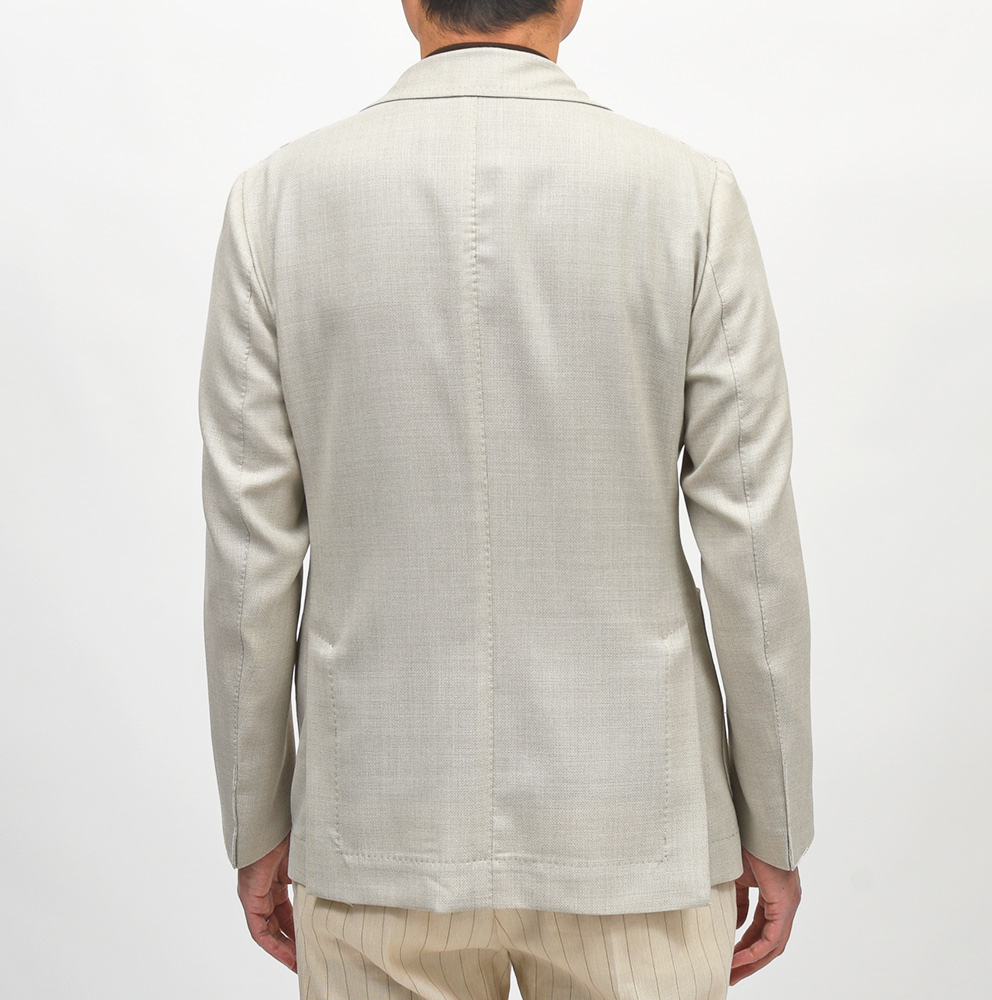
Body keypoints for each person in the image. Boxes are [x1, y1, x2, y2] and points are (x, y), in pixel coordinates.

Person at [198, 1, 814, 996]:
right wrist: (776, 822)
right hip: (638, 832)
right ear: (571, 1)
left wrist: (256, 821)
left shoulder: (277, 203)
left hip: (376, 830)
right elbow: (750, 540)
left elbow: (247, 561)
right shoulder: (685, 196)